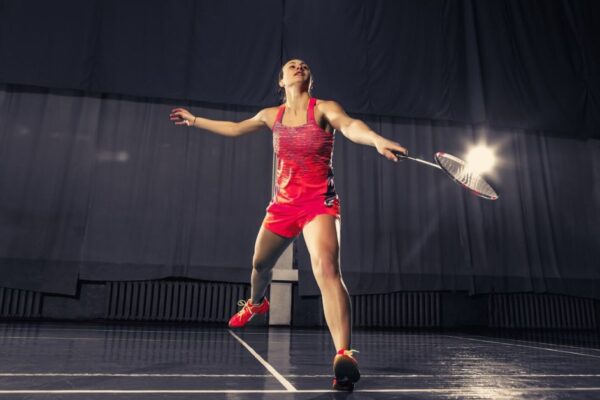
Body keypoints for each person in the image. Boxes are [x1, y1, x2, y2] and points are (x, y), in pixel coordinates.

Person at [170, 59, 407, 391]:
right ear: (280, 81)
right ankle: (256, 303)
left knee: (327, 269)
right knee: (259, 265)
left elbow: (351, 125)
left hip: (318, 204)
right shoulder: (271, 115)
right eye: (291, 65)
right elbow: (236, 128)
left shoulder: (324, 109)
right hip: (283, 206)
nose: (298, 66)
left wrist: (376, 139)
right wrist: (195, 121)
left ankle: (344, 355)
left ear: (310, 77)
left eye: (303, 65)